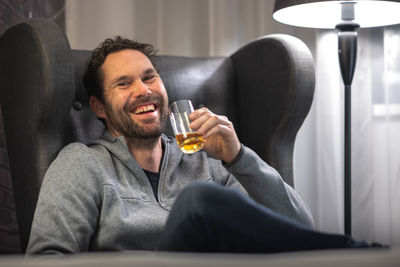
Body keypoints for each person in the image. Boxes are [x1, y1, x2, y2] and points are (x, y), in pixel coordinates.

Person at [26, 37, 373, 255]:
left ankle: (360, 257)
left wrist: (239, 158)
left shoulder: (208, 164)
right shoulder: (82, 164)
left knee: (206, 197)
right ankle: (368, 257)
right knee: (198, 200)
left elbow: (300, 228)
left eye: (149, 77)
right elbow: (47, 257)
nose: (144, 90)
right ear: (99, 107)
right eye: (123, 83)